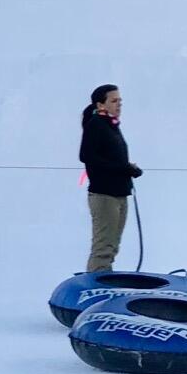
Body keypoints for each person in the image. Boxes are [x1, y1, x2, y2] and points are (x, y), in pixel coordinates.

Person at [78, 84, 139, 273]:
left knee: (112, 246)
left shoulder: (111, 125)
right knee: (103, 248)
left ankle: (103, 277)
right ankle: (94, 284)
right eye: (114, 101)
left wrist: (128, 169)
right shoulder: (96, 124)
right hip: (105, 194)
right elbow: (87, 156)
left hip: (119, 193)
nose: (119, 104)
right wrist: (123, 168)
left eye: (120, 101)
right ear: (100, 104)